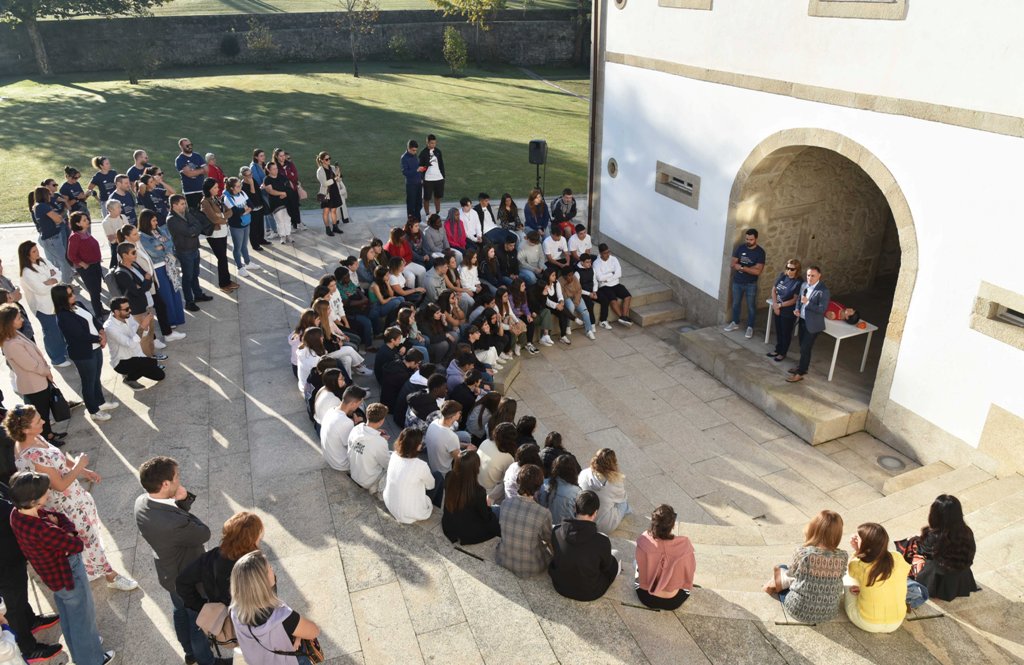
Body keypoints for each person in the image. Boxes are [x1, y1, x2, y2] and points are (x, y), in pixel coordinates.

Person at [7, 406, 135, 590]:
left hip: (73, 497)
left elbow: (57, 458)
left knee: (87, 534)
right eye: (38, 421)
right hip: (64, 504)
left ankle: (90, 569)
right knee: (87, 537)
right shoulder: (32, 454)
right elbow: (59, 484)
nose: (43, 421)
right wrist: (80, 464)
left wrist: (83, 470)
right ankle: (111, 576)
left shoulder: (34, 437)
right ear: (25, 429)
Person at [8, 471, 116, 665]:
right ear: (34, 500)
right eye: (44, 492)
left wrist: (60, 524)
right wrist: (67, 528)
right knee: (83, 617)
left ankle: (83, 647)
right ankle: (92, 659)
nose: (48, 493)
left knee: (70, 616)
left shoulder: (17, 514)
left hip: (54, 578)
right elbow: (76, 544)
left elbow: (55, 516)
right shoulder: (43, 529)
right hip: (68, 573)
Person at [134, 456, 216, 665]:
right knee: (199, 620)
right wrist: (184, 500)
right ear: (166, 484)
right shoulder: (172, 522)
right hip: (188, 577)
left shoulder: (141, 502)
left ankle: (189, 653)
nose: (180, 479)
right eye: (177, 476)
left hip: (169, 574)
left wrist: (179, 504)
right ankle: (206, 660)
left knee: (180, 612)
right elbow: (203, 533)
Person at [176, 511, 264, 664]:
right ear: (251, 538)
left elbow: (182, 582)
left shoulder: (210, 558)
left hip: (227, 619)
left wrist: (202, 606)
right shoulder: (253, 565)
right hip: (251, 623)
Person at [0, 475, 64, 664]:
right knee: (12, 605)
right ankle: (28, 648)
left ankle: (30, 621)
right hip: (3, 564)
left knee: (20, 593)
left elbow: (10, 496)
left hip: (13, 554)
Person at [229, 550, 321, 665]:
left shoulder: (235, 610)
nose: (273, 570)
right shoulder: (281, 616)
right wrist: (298, 636)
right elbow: (314, 631)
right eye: (270, 568)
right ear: (263, 582)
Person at [763, 509, 848, 624]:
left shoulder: (803, 553)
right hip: (829, 612)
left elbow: (791, 575)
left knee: (782, 567)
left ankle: (771, 586)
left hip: (799, 610)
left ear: (814, 528)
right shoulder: (843, 556)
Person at [52, 285, 119, 422]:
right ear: (62, 299)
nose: (74, 296)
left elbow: (93, 319)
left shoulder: (79, 305)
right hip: (83, 353)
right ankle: (94, 411)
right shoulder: (63, 316)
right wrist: (100, 339)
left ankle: (100, 402)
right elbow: (79, 335)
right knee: (88, 382)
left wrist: (101, 331)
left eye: (73, 293)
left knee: (96, 378)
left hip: (95, 348)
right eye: (70, 295)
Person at [0, 305, 65, 445]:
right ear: (9, 322)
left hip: (39, 380)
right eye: (18, 318)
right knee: (39, 414)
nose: (22, 320)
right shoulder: (11, 344)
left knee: (44, 413)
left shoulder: (15, 334)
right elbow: (30, 365)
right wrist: (46, 371)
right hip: (33, 384)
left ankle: (50, 434)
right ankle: (46, 439)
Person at [896, 494, 979, 602]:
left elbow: (922, 551)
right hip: (961, 574)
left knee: (910, 544)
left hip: (937, 579)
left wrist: (917, 539)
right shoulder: (967, 532)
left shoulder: (933, 537)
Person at [548, 490, 619, 601]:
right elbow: (605, 567)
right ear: (595, 513)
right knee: (614, 560)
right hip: (588, 592)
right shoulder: (602, 541)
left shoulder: (556, 531)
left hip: (560, 585)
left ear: (575, 508)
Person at [844, 523, 911, 633]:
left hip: (866, 622)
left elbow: (849, 568)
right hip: (896, 622)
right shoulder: (897, 557)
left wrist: (857, 551)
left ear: (865, 544)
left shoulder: (858, 565)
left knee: (848, 578)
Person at [635, 504, 696, 610]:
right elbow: (690, 571)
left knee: (635, 564)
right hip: (673, 601)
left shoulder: (643, 540)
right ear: (672, 526)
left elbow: (640, 567)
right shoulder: (684, 545)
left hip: (646, 597)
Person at [18, 241, 69, 367]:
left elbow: (58, 273)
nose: (38, 253)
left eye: (37, 249)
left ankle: (64, 351)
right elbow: (40, 290)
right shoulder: (27, 273)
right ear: (27, 255)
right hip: (43, 308)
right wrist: (51, 281)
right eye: (34, 251)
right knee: (52, 333)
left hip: (55, 303)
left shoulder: (43, 261)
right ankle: (57, 359)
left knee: (60, 329)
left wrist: (49, 281)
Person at [496, 464, 552, 577]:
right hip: (531, 567)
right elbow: (548, 539)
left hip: (503, 558)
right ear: (538, 486)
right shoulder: (543, 513)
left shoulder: (505, 503)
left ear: (518, 482)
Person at [139, 209, 188, 328]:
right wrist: (164, 247)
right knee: (166, 295)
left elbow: (171, 242)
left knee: (175, 292)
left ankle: (178, 318)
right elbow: (154, 253)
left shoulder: (158, 230)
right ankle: (170, 321)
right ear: (146, 221)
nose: (156, 222)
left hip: (170, 265)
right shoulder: (142, 237)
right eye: (154, 220)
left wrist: (162, 247)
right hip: (158, 268)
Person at [104, 297, 166, 389]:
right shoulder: (109, 328)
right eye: (126, 309)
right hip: (122, 361)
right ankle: (129, 379)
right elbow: (131, 344)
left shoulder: (127, 316)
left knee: (160, 375)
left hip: (137, 355)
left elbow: (140, 333)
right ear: (116, 312)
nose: (130, 310)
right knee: (151, 362)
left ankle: (137, 369)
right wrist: (142, 327)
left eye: (129, 307)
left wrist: (145, 327)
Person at [442, 449, 501, 545]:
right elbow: (486, 517)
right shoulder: (479, 491)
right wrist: (488, 507)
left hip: (450, 525)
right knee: (497, 512)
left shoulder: (449, 476)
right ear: (475, 468)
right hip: (468, 532)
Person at [167, 194, 214, 312]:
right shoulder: (172, 219)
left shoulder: (185, 213)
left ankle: (198, 295)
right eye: (182, 204)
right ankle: (189, 301)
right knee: (187, 277)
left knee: (195, 274)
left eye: (185, 203)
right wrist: (195, 230)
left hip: (194, 248)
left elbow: (197, 224)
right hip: (184, 251)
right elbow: (189, 232)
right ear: (174, 205)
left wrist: (194, 230)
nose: (185, 206)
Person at [383, 428, 442, 523]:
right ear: (417, 446)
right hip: (408, 513)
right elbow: (431, 486)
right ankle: (436, 508)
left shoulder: (393, 455)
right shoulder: (421, 465)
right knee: (438, 476)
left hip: (390, 503)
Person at [112, 243, 157, 360]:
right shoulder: (121, 273)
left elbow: (148, 276)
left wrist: (143, 284)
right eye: (133, 253)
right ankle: (148, 362)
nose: (136, 255)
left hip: (146, 304)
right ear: (124, 255)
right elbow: (138, 291)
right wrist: (145, 282)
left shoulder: (135, 264)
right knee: (144, 337)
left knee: (151, 333)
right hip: (137, 309)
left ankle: (153, 356)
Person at [787, 265, 830, 383]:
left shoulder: (823, 290)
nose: (810, 278)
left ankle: (800, 373)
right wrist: (797, 309)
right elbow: (799, 299)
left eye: (813, 276)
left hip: (813, 325)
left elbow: (822, 309)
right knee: (802, 346)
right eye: (808, 275)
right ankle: (803, 367)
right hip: (802, 320)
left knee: (806, 347)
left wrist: (808, 302)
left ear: (819, 276)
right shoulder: (804, 285)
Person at [724, 228, 766, 339]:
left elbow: (758, 271)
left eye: (751, 239)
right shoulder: (741, 247)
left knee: (751, 306)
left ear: (756, 239)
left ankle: (750, 327)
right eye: (747, 239)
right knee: (735, 304)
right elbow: (733, 263)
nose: (748, 241)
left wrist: (742, 267)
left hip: (751, 284)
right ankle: (735, 322)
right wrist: (750, 268)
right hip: (737, 282)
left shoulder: (760, 252)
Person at [64, 212, 106, 319]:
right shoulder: (75, 237)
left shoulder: (85, 232)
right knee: (94, 291)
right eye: (84, 220)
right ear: (77, 223)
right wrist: (83, 264)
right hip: (87, 268)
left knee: (97, 289)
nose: (87, 220)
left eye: (86, 218)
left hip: (95, 265)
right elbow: (71, 255)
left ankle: (100, 308)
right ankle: (98, 314)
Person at [578, 448, 630, 534]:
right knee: (624, 503)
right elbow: (622, 498)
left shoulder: (584, 473)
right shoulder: (615, 482)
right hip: (602, 526)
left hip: (582, 518)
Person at [200, 178, 238, 293]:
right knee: (221, 258)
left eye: (217, 187)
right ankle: (223, 284)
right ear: (209, 189)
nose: (218, 189)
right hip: (214, 234)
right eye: (215, 188)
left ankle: (227, 281)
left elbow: (230, 211)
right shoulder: (205, 202)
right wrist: (224, 218)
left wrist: (221, 215)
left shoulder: (216, 198)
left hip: (222, 232)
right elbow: (214, 219)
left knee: (224, 258)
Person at [30, 185, 74, 284]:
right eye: (48, 194)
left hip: (48, 237)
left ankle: (59, 283)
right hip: (52, 238)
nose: (50, 195)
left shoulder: (37, 206)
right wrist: (58, 216)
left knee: (54, 263)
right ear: (44, 195)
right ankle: (66, 284)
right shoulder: (42, 206)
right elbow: (58, 219)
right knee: (64, 262)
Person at [320, 386, 367, 472]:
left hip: (329, 457)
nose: (358, 407)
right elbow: (353, 446)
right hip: (341, 464)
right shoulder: (346, 422)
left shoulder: (331, 410)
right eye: (359, 404)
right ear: (353, 404)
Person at [347, 403, 392, 494]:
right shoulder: (380, 442)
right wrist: (381, 441)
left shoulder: (356, 429)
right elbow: (387, 465)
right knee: (394, 461)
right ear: (381, 421)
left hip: (354, 473)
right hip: (368, 481)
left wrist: (376, 434)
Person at [425, 400, 474, 476]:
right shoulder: (451, 437)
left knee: (465, 436)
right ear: (454, 416)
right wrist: (468, 450)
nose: (460, 414)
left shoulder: (434, 423)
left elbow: (445, 444)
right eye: (459, 412)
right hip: (443, 473)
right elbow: (459, 459)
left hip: (433, 464)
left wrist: (464, 445)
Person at [768, 259, 803, 362]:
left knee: (785, 333)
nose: (789, 271)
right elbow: (774, 290)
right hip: (778, 307)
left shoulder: (799, 282)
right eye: (787, 268)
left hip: (788, 311)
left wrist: (779, 305)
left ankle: (783, 352)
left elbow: (794, 299)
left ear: (797, 270)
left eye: (792, 269)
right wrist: (775, 305)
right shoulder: (783, 276)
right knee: (778, 330)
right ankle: (778, 349)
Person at [593, 244, 634, 327]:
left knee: (628, 296)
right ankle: (622, 317)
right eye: (605, 253)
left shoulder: (614, 259)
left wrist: (607, 278)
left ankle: (624, 317)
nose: (607, 254)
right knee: (613, 300)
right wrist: (612, 274)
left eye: (608, 252)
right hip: (604, 286)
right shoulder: (596, 263)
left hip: (616, 283)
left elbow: (619, 273)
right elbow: (599, 278)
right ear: (600, 253)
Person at [476, 422, 519, 501]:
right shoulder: (508, 458)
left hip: (475, 482)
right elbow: (506, 480)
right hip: (488, 492)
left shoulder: (486, 442)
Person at [223, 177, 254, 278]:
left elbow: (251, 205)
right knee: (237, 247)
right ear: (232, 188)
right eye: (238, 186)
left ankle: (248, 263)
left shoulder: (242, 193)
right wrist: (245, 210)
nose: (240, 187)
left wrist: (245, 210)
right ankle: (240, 268)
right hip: (236, 226)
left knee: (244, 245)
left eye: (240, 185)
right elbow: (236, 213)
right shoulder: (227, 198)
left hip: (246, 223)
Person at [540, 454, 582, 528]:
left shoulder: (543, 484)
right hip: (564, 533)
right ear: (573, 471)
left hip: (544, 530)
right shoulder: (576, 492)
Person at [262, 161, 293, 245]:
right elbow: (270, 191)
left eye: (276, 168)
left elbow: (288, 186)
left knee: (287, 218)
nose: (276, 170)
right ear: (268, 170)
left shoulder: (282, 176)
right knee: (280, 220)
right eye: (274, 169)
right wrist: (282, 193)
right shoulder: (267, 179)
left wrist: (286, 193)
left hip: (286, 201)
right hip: (276, 203)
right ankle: (282, 236)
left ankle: (288, 234)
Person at [560, 269, 595, 340]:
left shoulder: (574, 278)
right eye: (569, 276)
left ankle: (589, 331)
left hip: (576, 296)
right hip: (567, 298)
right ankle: (568, 326)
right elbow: (564, 295)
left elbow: (579, 290)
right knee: (571, 307)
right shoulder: (560, 281)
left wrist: (576, 301)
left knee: (585, 312)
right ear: (564, 276)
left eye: (572, 275)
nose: (571, 277)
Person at [315, 151, 344, 236]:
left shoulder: (332, 167)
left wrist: (338, 173)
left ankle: (335, 227)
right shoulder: (320, 171)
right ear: (322, 160)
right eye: (326, 159)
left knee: (334, 210)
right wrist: (335, 179)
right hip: (326, 193)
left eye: (329, 158)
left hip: (334, 191)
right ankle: (327, 228)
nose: (329, 160)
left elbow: (339, 179)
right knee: (326, 211)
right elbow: (324, 183)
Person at [275, 148, 305, 231]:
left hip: (293, 189)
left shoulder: (289, 164)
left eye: (283, 155)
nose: (283, 157)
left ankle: (297, 223)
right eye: (280, 156)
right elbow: (279, 178)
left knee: (295, 206)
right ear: (277, 157)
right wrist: (288, 175)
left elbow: (295, 175)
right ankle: (291, 224)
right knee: (287, 208)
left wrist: (287, 175)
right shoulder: (275, 166)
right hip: (283, 191)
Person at [239, 166, 268, 250]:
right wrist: (251, 184)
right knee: (253, 228)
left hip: (259, 206)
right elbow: (252, 196)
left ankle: (261, 239)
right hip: (252, 209)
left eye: (251, 174)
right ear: (243, 176)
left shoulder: (253, 180)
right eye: (248, 175)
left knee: (260, 225)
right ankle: (255, 245)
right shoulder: (243, 185)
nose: (250, 176)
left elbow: (258, 192)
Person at [541, 268, 572, 345]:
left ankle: (563, 336)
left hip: (556, 306)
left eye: (555, 275)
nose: (555, 277)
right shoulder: (543, 285)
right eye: (553, 275)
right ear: (548, 276)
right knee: (551, 313)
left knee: (562, 313)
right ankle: (573, 318)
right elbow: (546, 301)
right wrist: (556, 305)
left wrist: (561, 302)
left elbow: (560, 295)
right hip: (546, 306)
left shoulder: (556, 283)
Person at [175, 138, 208, 209]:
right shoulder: (180, 159)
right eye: (187, 145)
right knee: (194, 213)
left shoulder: (197, 156)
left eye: (190, 145)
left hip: (201, 190)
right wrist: (201, 170)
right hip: (190, 192)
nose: (190, 147)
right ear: (181, 147)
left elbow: (207, 170)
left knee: (204, 212)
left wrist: (195, 172)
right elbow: (189, 174)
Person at [418, 134, 445, 216]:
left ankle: (438, 213)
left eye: (434, 143)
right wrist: (422, 178)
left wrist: (443, 177)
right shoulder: (423, 153)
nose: (433, 145)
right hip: (428, 179)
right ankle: (427, 215)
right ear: (427, 143)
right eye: (431, 143)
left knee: (438, 197)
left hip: (439, 179)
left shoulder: (438, 151)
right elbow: (420, 167)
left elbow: (441, 165)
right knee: (426, 198)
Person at [401, 139, 423, 219]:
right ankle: (411, 222)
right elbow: (405, 172)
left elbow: (418, 167)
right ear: (409, 148)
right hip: (411, 185)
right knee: (411, 204)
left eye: (416, 150)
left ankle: (418, 220)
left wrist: (421, 177)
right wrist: (416, 170)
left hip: (418, 183)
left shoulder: (415, 155)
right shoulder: (404, 158)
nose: (415, 152)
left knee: (419, 203)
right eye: (413, 150)